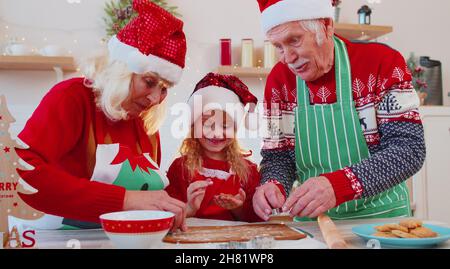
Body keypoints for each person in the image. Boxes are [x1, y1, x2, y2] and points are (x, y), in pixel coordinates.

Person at [15, 0, 188, 230]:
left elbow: (145, 199)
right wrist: (124, 199)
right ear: (123, 71)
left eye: (164, 89)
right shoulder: (72, 97)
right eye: (149, 82)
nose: (155, 99)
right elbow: (21, 173)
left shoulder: (144, 123)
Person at [253, 0, 426, 221]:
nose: (287, 58)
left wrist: (339, 185)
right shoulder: (279, 82)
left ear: (326, 26)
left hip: (382, 220)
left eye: (294, 40)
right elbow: (278, 157)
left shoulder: (382, 63)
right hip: (314, 225)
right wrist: (272, 184)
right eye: (278, 46)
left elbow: (409, 149)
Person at [166, 73, 261, 222]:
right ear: (193, 126)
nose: (216, 133)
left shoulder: (248, 171)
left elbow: (257, 222)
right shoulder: (180, 168)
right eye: (207, 124)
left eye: (225, 126)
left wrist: (237, 208)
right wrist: (190, 208)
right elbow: (167, 216)